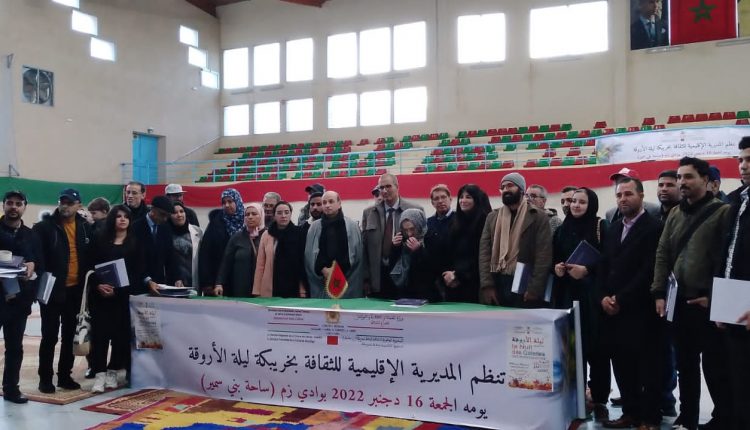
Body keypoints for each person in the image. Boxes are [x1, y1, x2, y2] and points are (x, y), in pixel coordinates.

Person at [651, 157, 731, 430]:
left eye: (688, 177)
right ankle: (688, 418)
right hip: (678, 301)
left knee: (715, 366)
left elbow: (727, 260)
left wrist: (714, 297)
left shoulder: (723, 212)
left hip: (706, 303)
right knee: (685, 365)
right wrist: (659, 292)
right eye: (679, 177)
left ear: (706, 181)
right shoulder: (675, 213)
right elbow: (662, 253)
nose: (682, 182)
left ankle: (723, 419)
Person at [598, 178, 664, 430]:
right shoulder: (614, 228)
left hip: (641, 308)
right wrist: (603, 296)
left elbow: (649, 269)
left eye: (628, 194)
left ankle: (650, 418)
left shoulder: (655, 227)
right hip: (613, 311)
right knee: (622, 365)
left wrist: (621, 298)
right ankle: (630, 413)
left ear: (641, 196)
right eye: (619, 195)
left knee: (648, 367)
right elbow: (604, 265)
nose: (623, 199)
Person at [551, 187, 610, 422]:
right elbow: (554, 258)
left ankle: (600, 399)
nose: (575, 205)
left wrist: (587, 270)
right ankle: (576, 400)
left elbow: (609, 259)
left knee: (597, 349)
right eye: (573, 201)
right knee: (573, 350)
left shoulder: (601, 226)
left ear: (591, 205)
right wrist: (557, 268)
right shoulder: (562, 229)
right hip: (568, 297)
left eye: (581, 202)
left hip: (592, 298)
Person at [33, 188, 94, 393]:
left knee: (69, 336)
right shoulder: (44, 227)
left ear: (79, 205)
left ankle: (65, 376)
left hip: (76, 291)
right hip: (52, 290)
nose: (65, 206)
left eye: (70, 203)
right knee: (49, 336)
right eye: (62, 202)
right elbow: (37, 258)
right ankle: (45, 378)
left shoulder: (85, 227)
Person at [88, 205, 144, 393]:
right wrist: (98, 285)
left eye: (126, 216)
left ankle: (113, 371)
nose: (122, 219)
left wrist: (119, 291)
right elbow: (89, 266)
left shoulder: (135, 243)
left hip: (123, 298)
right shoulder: (99, 240)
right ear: (112, 219)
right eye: (118, 216)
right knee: (100, 337)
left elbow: (137, 273)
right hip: (100, 297)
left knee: (120, 337)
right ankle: (99, 374)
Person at [478, 172, 552, 308]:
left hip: (525, 283)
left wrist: (534, 288)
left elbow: (543, 255)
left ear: (522, 189)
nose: (506, 189)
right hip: (498, 281)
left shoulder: (538, 216)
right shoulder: (492, 217)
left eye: (510, 185)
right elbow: (484, 252)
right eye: (503, 187)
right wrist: (487, 285)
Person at [719, 136, 750, 430]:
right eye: (740, 160)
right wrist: (721, 305)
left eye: (749, 160)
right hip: (734, 306)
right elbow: (727, 253)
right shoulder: (735, 200)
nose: (743, 166)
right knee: (739, 383)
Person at [0, 190, 38, 403]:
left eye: (18, 203)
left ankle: (11, 388)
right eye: (10, 203)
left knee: (15, 347)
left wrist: (32, 266)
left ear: (24, 207)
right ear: (3, 205)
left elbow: (38, 260)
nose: (13, 207)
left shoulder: (31, 235)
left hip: (19, 300)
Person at [361, 173, 423, 299]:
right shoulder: (369, 213)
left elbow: (422, 240)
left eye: (388, 186)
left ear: (397, 186)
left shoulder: (415, 209)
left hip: (405, 275)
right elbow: (364, 248)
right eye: (381, 187)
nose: (384, 191)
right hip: (378, 276)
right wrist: (365, 278)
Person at [304, 191, 363, 299]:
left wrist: (339, 273)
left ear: (339, 203)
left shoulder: (352, 226)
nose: (327, 205)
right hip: (322, 282)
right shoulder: (314, 227)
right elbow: (309, 256)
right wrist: (322, 269)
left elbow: (358, 256)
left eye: (331, 201)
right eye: (324, 202)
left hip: (348, 281)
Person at [442, 184, 491, 303]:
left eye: (468, 197)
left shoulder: (484, 222)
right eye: (461, 197)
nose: (463, 201)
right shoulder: (455, 222)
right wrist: (448, 275)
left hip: (475, 285)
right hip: (453, 284)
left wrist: (458, 276)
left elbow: (481, 256)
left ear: (476, 200)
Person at [131, 195, 183, 294]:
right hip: (139, 284)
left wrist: (177, 278)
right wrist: (147, 280)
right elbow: (134, 259)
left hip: (159, 285)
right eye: (162, 214)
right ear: (152, 209)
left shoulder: (165, 228)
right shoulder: (135, 227)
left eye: (167, 216)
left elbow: (171, 256)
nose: (165, 219)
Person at [253, 201, 306, 298]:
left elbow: (302, 263)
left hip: (293, 285)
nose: (283, 216)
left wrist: (303, 289)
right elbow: (260, 264)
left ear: (291, 214)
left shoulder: (299, 233)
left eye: (286, 212)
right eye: (279, 213)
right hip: (271, 285)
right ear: (274, 215)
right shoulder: (267, 235)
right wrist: (257, 290)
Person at [198, 189, 244, 296]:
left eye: (230, 201)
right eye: (224, 202)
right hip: (218, 281)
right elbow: (205, 254)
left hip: (241, 279)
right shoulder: (215, 224)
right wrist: (207, 282)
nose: (226, 205)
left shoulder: (246, 223)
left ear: (237, 201)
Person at [389, 208, 440, 301]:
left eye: (412, 229)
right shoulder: (401, 240)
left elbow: (434, 267)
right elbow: (392, 266)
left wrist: (419, 250)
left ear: (419, 225)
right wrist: (394, 247)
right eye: (405, 230)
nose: (409, 234)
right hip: (404, 293)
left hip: (426, 294)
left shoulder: (431, 236)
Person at [215, 203, 265, 297]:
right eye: (247, 214)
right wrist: (219, 283)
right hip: (240, 286)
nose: (250, 217)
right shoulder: (237, 237)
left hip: (262, 287)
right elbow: (226, 262)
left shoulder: (267, 236)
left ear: (261, 215)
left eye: (254, 214)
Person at [424, 184, 453, 293]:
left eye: (443, 197)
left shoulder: (460, 219)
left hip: (454, 278)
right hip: (433, 279)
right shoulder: (428, 223)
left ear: (450, 199)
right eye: (436, 198)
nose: (440, 201)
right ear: (432, 203)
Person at [168, 201, 203, 293]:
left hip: (194, 282)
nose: (179, 215)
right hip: (172, 282)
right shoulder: (165, 233)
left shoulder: (197, 231)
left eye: (181, 211)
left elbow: (204, 258)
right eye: (175, 212)